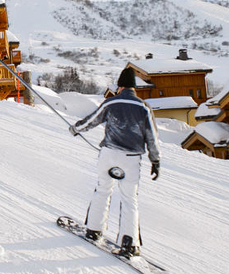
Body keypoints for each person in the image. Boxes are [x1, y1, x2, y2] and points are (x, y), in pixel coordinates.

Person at [69, 66, 161, 258]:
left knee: (103, 190)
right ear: (134, 88)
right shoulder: (144, 107)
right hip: (131, 158)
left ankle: (94, 229)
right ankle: (129, 242)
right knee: (129, 199)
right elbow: (152, 136)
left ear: (120, 87)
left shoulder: (111, 102)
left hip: (109, 154)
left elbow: (91, 120)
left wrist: (76, 129)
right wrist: (155, 160)